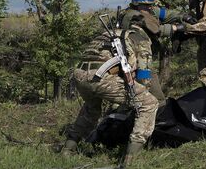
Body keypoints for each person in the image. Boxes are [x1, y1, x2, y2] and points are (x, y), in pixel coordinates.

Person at [61, 25, 158, 166]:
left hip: (80, 75)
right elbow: (144, 74)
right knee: (149, 103)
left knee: (91, 109)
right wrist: (144, 89)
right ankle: (131, 159)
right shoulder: (140, 38)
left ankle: (68, 149)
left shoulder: (109, 33)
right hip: (101, 77)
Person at [118, 0, 192, 103]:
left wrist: (183, 16)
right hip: (136, 63)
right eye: (144, 5)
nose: (148, 8)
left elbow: (166, 14)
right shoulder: (133, 17)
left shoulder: (149, 11)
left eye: (149, 5)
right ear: (136, 4)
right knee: (157, 100)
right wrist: (175, 28)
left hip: (146, 61)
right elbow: (155, 30)